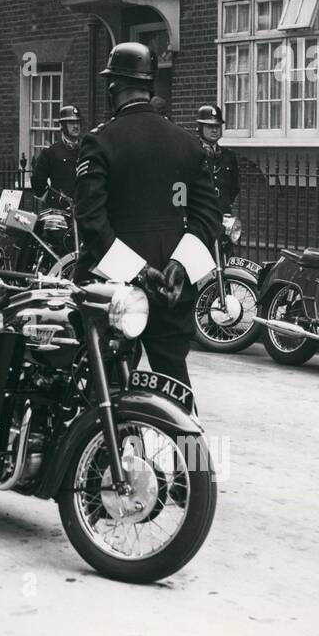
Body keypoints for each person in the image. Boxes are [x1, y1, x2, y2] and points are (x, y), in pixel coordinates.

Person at [74, 42, 220, 389]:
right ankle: (191, 446)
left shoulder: (100, 142)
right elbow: (208, 217)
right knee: (176, 391)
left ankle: (109, 444)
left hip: (114, 290)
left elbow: (91, 220)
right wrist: (179, 267)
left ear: (114, 89)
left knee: (106, 393)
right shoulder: (187, 143)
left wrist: (138, 272)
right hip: (172, 290)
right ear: (150, 87)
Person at [31, 105, 82, 207]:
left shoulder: (87, 150)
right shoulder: (51, 152)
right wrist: (52, 199)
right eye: (71, 123)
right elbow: (37, 181)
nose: (76, 126)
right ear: (63, 125)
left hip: (84, 209)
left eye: (78, 122)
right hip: (60, 211)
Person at [195, 103, 239, 213]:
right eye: (210, 126)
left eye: (217, 126)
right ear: (200, 128)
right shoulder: (192, 153)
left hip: (222, 213)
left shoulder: (229, 156)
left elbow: (234, 188)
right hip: (200, 215)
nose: (214, 130)